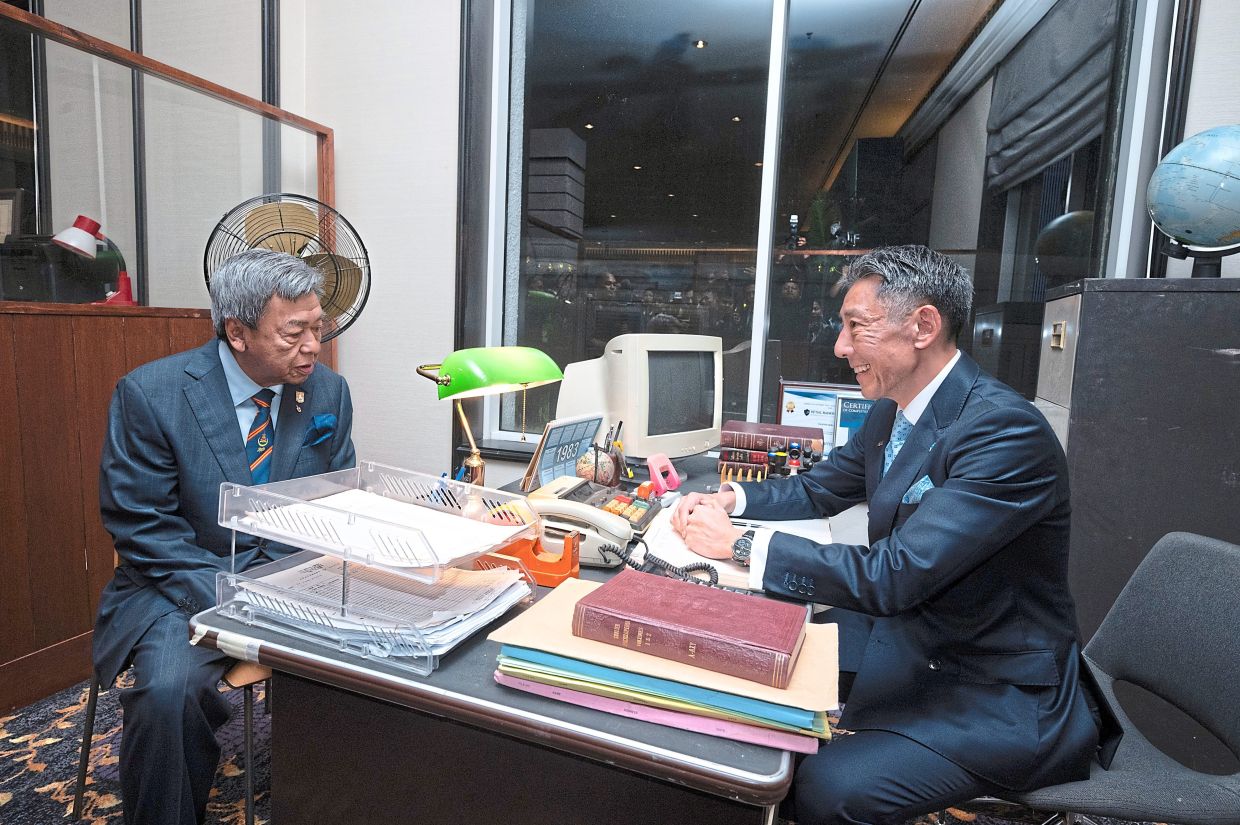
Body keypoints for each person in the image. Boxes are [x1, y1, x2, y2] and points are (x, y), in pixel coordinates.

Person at [673, 245, 1104, 825]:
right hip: (922, 638)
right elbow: (819, 489)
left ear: (923, 325)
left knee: (828, 788)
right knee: (758, 647)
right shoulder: (893, 410)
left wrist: (740, 545)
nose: (840, 347)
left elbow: (895, 576)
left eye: (856, 327)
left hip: (998, 687)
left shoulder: (1004, 432)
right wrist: (733, 499)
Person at [92, 248, 357, 825]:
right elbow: (142, 527)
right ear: (237, 332)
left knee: (380, 667)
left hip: (297, 577)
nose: (313, 346)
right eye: (294, 333)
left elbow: (338, 500)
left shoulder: (328, 393)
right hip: (181, 582)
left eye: (318, 327)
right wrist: (234, 596)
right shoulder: (152, 395)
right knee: (168, 695)